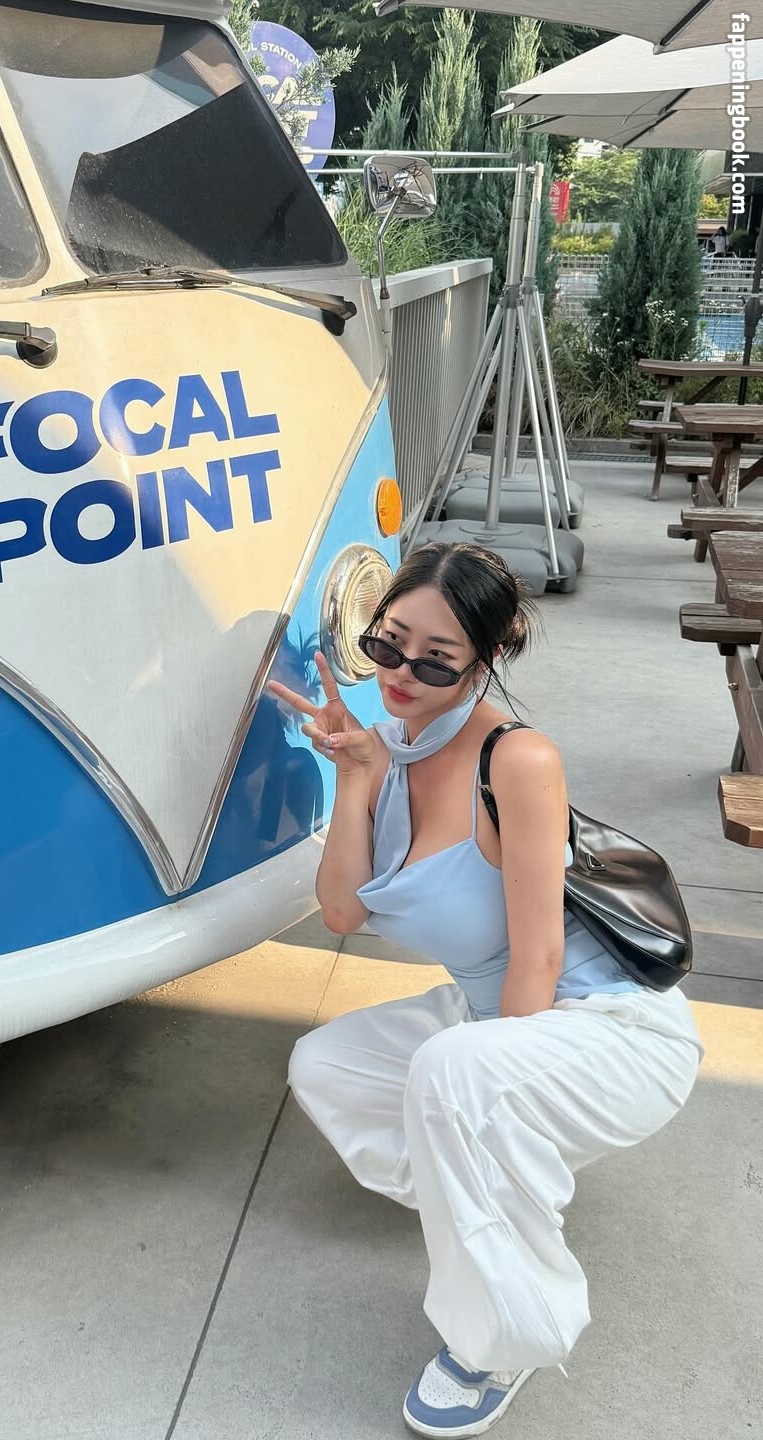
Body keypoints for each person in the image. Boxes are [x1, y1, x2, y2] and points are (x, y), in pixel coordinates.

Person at [268, 542, 703, 1438]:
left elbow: (537, 959)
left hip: (613, 1027)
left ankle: (505, 1337)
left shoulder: (517, 759)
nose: (403, 674)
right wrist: (354, 778)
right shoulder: (385, 747)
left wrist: (482, 1073)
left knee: (454, 1072)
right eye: (388, 644)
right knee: (326, 1064)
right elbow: (342, 911)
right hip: (487, 1010)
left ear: (488, 657)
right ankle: (484, 1203)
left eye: (437, 660)